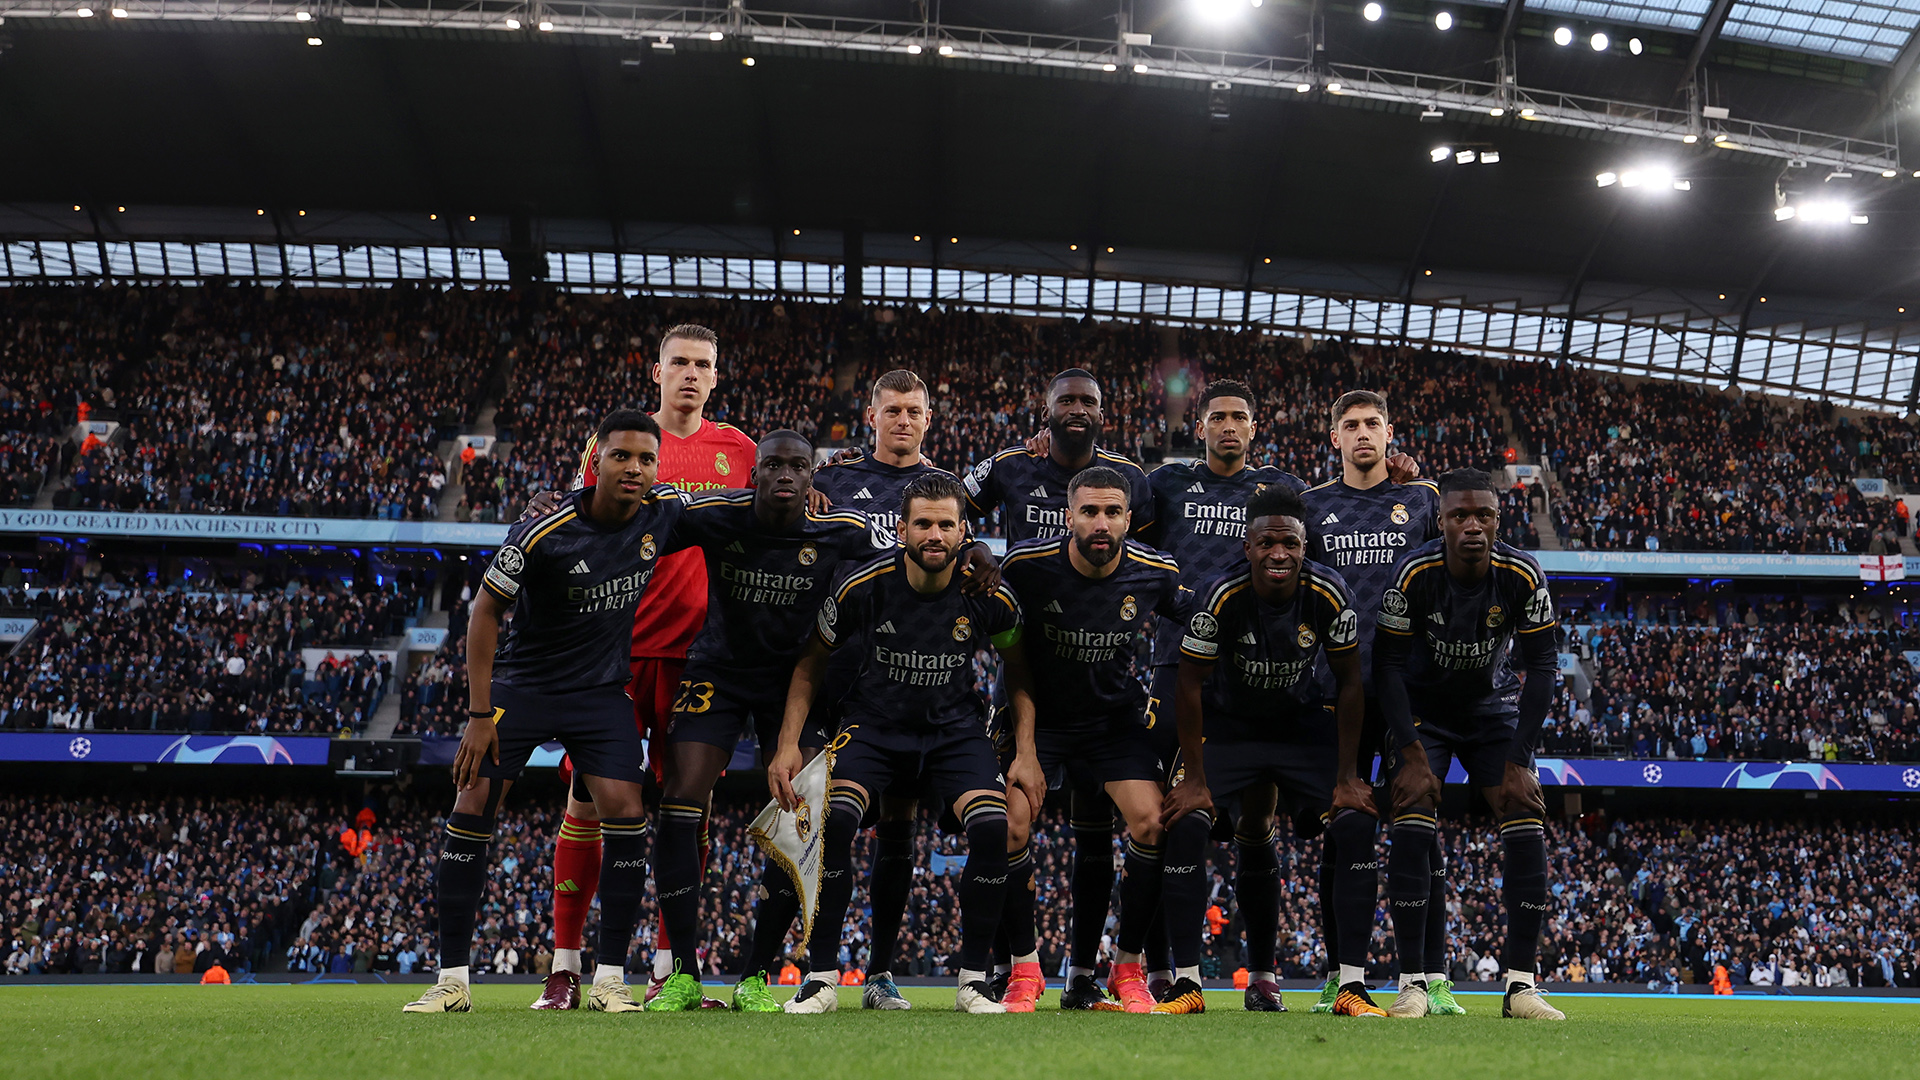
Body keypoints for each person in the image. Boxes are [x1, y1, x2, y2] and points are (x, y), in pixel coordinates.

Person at [402, 410, 685, 1015]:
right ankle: (452, 980)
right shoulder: (541, 528)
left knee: (627, 810)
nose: (634, 468)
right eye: (621, 456)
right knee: (472, 801)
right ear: (596, 460)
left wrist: (820, 479)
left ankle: (610, 979)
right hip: (523, 687)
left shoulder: (664, 514)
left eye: (645, 459)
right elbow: (483, 614)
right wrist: (480, 716)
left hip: (601, 692)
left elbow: (739, 511)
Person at [531, 324, 759, 1011]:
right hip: (614, 649)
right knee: (588, 802)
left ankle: (671, 969)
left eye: (703, 365)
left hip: (699, 656)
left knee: (690, 811)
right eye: (679, 363)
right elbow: (582, 525)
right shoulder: (616, 444)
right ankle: (566, 967)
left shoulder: (741, 451)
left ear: (716, 378)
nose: (690, 374)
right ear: (656, 371)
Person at [769, 472, 1044, 1014]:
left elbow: (1019, 669)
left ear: (965, 531)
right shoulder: (862, 585)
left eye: (946, 524)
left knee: (993, 828)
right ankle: (821, 978)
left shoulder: (989, 594)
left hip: (954, 731)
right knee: (836, 821)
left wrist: (1027, 753)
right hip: (875, 725)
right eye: (924, 523)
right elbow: (810, 663)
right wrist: (787, 745)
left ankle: (973, 982)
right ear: (902, 529)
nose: (935, 534)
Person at [645, 429, 897, 1012]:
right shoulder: (715, 515)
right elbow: (641, 517)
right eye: (773, 465)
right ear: (752, 473)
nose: (785, 475)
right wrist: (554, 507)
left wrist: (978, 557)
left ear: (815, 478)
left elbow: (914, 552)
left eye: (798, 467)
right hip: (719, 670)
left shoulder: (840, 530)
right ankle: (683, 973)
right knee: (680, 800)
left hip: (794, 685)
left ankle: (754, 976)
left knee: (803, 817)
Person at [962, 367, 1153, 1008]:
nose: (1076, 409)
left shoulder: (1132, 479)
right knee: (1008, 822)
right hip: (1029, 677)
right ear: (1044, 411)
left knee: (1098, 834)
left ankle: (1084, 975)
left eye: (1088, 401)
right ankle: (1012, 967)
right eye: (1065, 401)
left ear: (1104, 412)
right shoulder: (1010, 468)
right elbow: (940, 503)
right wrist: (976, 553)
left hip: (1106, 684)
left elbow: (1154, 560)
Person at [1159, 485, 1386, 1018]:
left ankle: (1350, 984)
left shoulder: (1330, 592)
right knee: (1186, 820)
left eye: (1290, 543)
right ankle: (1187, 984)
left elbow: (1351, 683)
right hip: (1231, 725)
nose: (1278, 553)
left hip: (1297, 723)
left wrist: (1349, 774)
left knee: (1355, 819)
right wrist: (1194, 778)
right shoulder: (1220, 597)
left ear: (1305, 546)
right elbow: (1188, 685)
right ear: (1248, 546)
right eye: (1267, 543)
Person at [1135, 378, 1310, 1009]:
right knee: (1165, 816)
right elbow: (1124, 540)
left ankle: (1261, 975)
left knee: (1259, 822)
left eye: (1240, 416)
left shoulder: (1280, 490)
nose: (1229, 426)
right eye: (1218, 417)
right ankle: (1163, 970)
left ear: (1254, 426)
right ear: (1199, 427)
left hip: (1254, 673)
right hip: (1173, 665)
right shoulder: (1167, 486)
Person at [1373, 468, 1564, 1021]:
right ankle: (1412, 983)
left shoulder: (1523, 574)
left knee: (1525, 808)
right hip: (1424, 713)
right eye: (1460, 515)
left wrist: (1519, 761)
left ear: (1498, 519)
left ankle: (1521, 987)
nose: (1472, 525)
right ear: (1442, 520)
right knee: (1410, 810)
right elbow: (1386, 665)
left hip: (1492, 710)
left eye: (1483, 515)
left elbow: (1544, 666)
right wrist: (1409, 753)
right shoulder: (1414, 573)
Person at [994, 466, 1182, 1012]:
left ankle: (1127, 968)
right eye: (1090, 512)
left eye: (1113, 512)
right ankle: (1024, 971)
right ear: (1069, 516)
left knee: (1151, 823)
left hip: (1112, 725)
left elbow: (1204, 619)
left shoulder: (1154, 572)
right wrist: (1024, 751)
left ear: (1129, 518)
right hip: (1041, 721)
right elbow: (1013, 661)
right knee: (1009, 824)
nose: (1102, 523)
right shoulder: (1026, 567)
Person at [1301, 389, 1457, 1015]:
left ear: (1390, 434)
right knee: (1343, 832)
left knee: (1421, 832)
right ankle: (1344, 978)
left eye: (1372, 424)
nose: (1362, 433)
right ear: (1333, 437)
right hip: (1334, 692)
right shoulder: (1310, 508)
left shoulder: (1423, 501)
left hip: (1408, 693)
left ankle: (1433, 979)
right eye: (1350, 425)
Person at [810, 368, 957, 1011]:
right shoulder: (833, 481)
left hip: (908, 678)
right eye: (892, 409)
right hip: (838, 673)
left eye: (914, 411)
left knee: (899, 825)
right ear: (870, 415)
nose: (903, 419)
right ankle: (812, 968)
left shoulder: (944, 491)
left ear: (929, 419)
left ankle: (880, 972)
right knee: (817, 819)